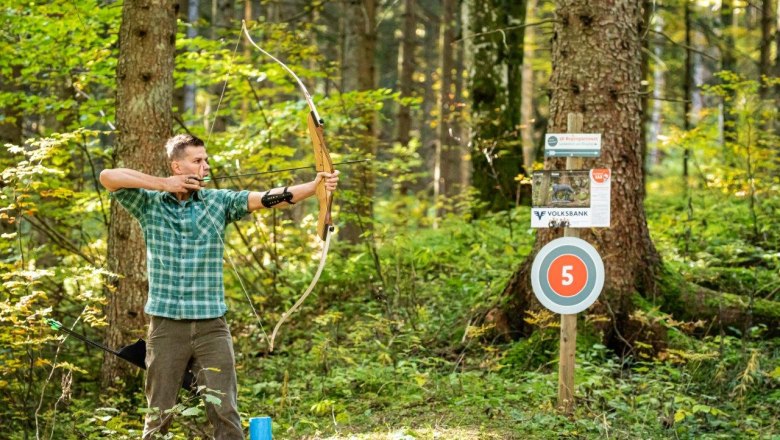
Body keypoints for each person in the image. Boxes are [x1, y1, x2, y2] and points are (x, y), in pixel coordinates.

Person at [99, 134, 339, 439]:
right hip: (166, 327)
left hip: (212, 325)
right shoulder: (149, 204)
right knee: (159, 414)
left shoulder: (218, 202)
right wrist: (164, 184)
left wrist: (315, 187)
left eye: (206, 160)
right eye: (197, 161)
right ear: (176, 166)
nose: (205, 166)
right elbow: (108, 177)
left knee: (225, 411)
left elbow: (266, 197)